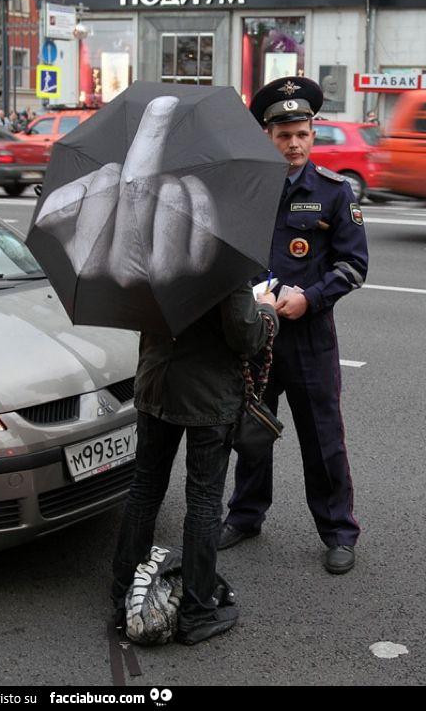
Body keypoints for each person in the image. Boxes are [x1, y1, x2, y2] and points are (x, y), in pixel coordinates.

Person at [219, 76, 369, 575]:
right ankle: (245, 515)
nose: (295, 144)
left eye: (302, 133)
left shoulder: (332, 192)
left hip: (309, 338)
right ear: (267, 135)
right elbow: (231, 253)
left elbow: (353, 265)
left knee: (322, 437)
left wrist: (311, 297)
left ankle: (338, 532)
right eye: (284, 135)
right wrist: (256, 290)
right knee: (252, 431)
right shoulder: (246, 192)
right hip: (256, 335)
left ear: (312, 132)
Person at [111, 284, 279, 645]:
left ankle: (123, 592)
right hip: (208, 392)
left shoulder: (150, 249)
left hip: (156, 380)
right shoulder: (221, 259)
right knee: (203, 501)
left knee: (144, 488)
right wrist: (267, 312)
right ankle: (197, 611)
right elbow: (245, 335)